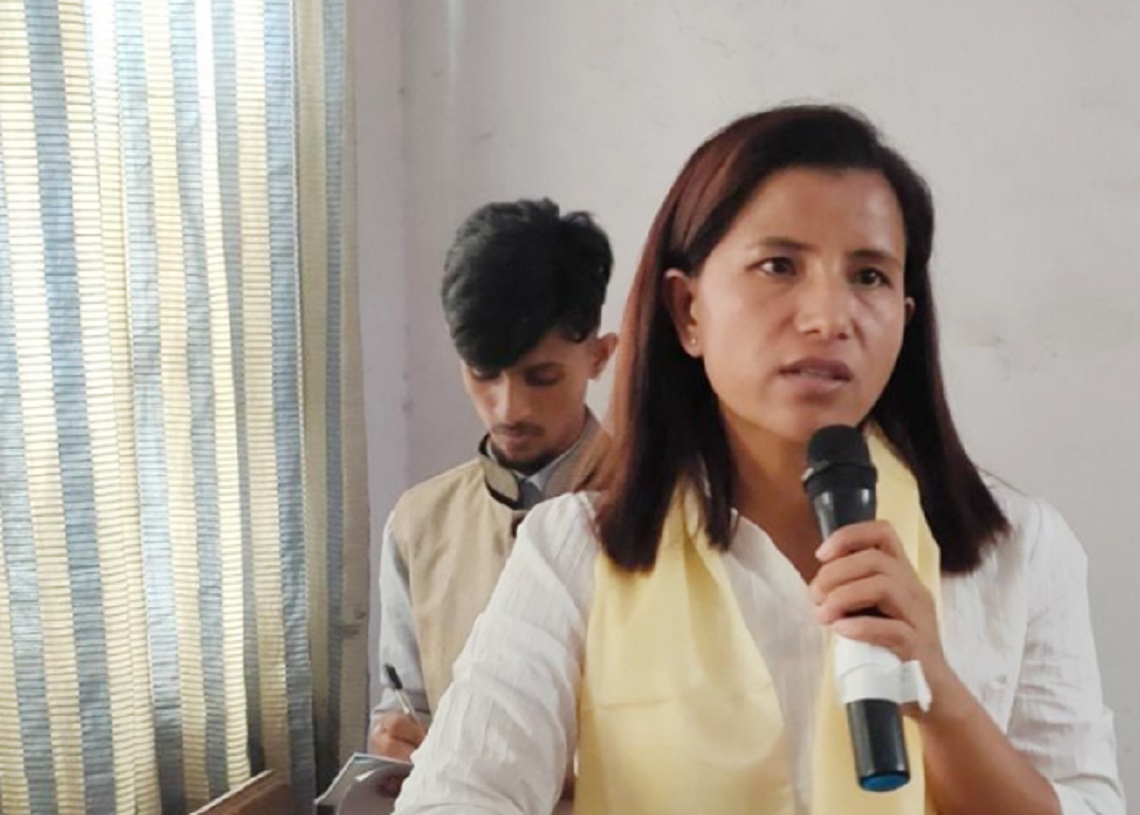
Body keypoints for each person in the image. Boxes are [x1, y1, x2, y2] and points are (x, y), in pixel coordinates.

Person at [393, 106, 1124, 814]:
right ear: (688, 311)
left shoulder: (1017, 548)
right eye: (779, 266)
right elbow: (454, 795)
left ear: (905, 319)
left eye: (869, 275)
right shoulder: (575, 550)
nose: (829, 317)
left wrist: (936, 690)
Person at [368, 198, 618, 767]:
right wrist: (393, 739)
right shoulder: (418, 524)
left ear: (600, 356)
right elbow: (405, 701)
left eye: (542, 377)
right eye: (483, 374)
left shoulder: (670, 510)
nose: (508, 409)